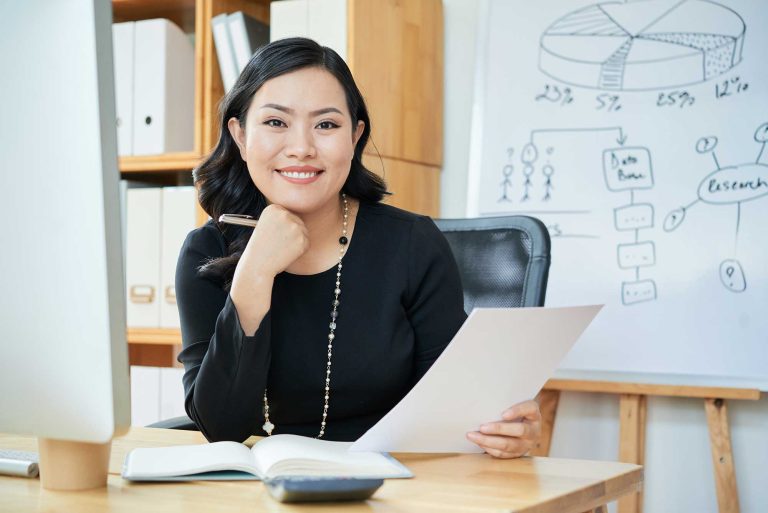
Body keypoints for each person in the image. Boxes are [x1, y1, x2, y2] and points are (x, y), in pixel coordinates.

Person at [175, 37, 541, 458]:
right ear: (239, 135)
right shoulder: (204, 252)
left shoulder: (411, 244)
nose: (301, 147)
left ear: (355, 136)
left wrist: (506, 431)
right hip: (256, 491)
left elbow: (455, 413)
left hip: (394, 482)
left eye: (326, 125)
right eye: (276, 122)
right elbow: (221, 428)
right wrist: (254, 275)